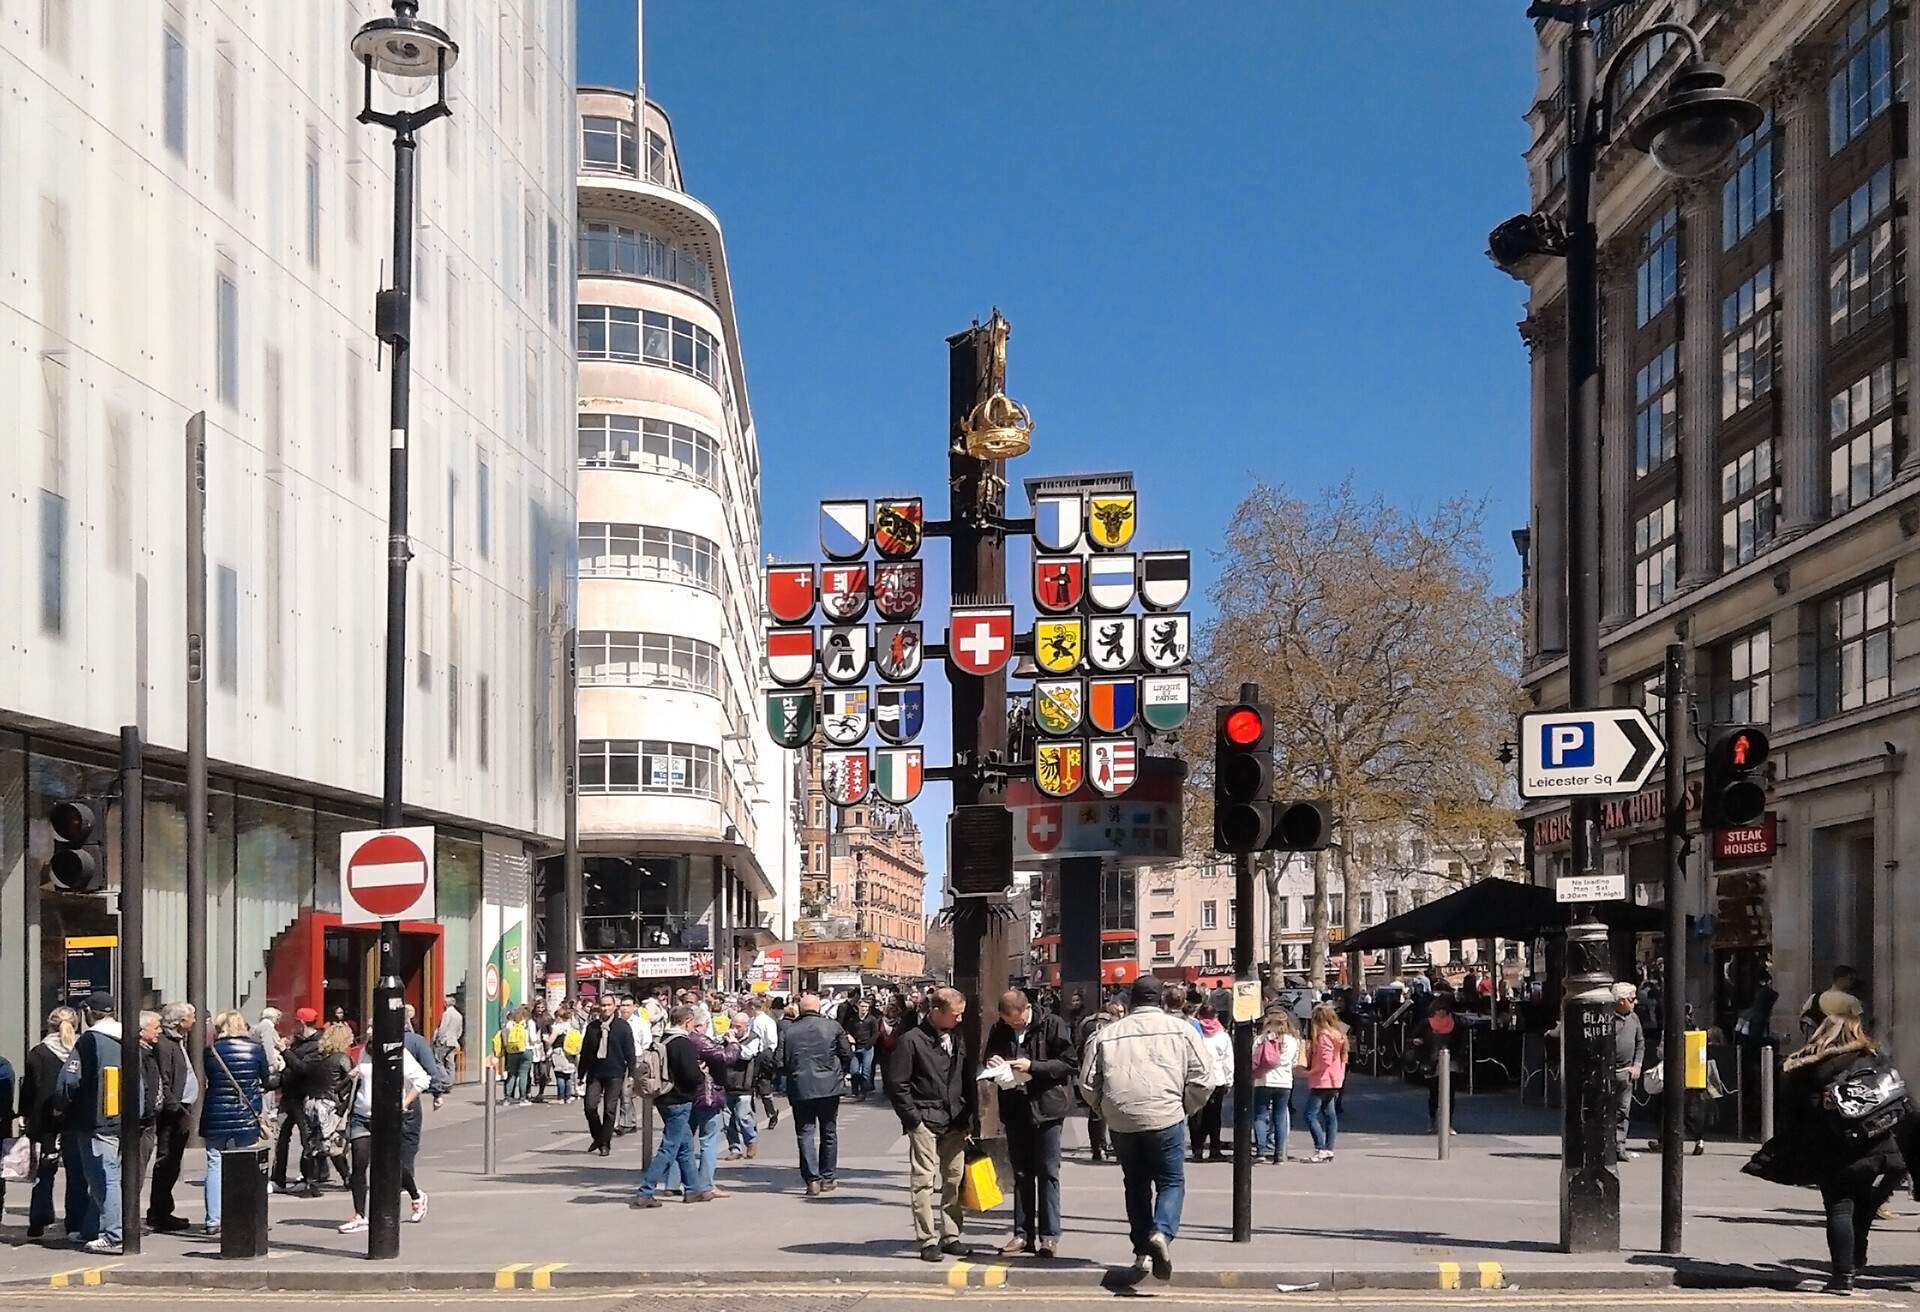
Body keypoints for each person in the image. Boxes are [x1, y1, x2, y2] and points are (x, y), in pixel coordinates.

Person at [1747, 991, 1907, 1295]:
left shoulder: (1810, 1065)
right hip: (1875, 1143)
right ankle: (1856, 1259)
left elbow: (1792, 1111)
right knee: (1862, 1204)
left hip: (1834, 1147)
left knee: (1840, 1208)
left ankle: (1843, 1275)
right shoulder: (1874, 1057)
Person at [1078, 976, 1212, 1283]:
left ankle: (1141, 1252)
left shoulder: (1107, 1034)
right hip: (1165, 1116)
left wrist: (1106, 1110)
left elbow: (1087, 1083)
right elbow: (1204, 1078)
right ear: (1161, 1001)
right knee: (1171, 1181)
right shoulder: (1182, 1030)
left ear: (1129, 1001)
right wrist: (1185, 1106)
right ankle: (1161, 1233)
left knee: (1135, 1184)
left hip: (1123, 1119)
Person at [985, 988, 1077, 1258]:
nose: (1012, 1025)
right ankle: (1022, 1234)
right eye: (1007, 1022)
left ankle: (1049, 1235)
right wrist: (993, 1063)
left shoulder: (1052, 1024)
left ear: (1026, 1010)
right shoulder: (1000, 1029)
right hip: (1015, 1107)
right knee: (1022, 1174)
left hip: (1047, 1107)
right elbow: (989, 1057)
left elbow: (1069, 1063)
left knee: (1048, 1171)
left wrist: (1033, 1066)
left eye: (1016, 1021)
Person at [886, 986, 975, 1262]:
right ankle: (927, 1239)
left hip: (955, 1119)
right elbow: (897, 1084)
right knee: (923, 1181)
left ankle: (951, 1235)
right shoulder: (911, 1040)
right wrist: (913, 1120)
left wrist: (969, 1116)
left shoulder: (958, 1038)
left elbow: (965, 1077)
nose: (959, 1019)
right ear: (936, 1012)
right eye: (955, 1014)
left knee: (953, 1179)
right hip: (925, 1118)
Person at [337, 1031, 433, 1233]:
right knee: (359, 1164)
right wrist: (356, 1073)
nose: (370, 1045)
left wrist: (404, 1102)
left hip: (386, 1116)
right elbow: (365, 1074)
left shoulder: (399, 1054)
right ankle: (360, 1215)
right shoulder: (365, 1052)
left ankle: (416, 1195)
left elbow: (423, 1080)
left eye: (374, 1041)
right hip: (362, 1116)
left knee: (392, 1163)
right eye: (369, 1040)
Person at [631, 1005, 725, 1207]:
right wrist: (701, 1073)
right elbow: (690, 1075)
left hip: (663, 1097)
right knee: (670, 1146)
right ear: (688, 1021)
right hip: (679, 1100)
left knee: (685, 1146)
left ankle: (693, 1189)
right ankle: (646, 1191)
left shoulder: (663, 1039)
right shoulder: (683, 1043)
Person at [201, 1008, 270, 1239]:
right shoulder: (255, 1049)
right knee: (248, 1164)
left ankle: (213, 1219)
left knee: (214, 1163)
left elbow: (209, 1078)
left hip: (216, 1111)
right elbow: (267, 1080)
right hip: (246, 1113)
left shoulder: (211, 1052)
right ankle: (247, 1215)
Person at [69, 992, 124, 1254]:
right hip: (125, 1118)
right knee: (107, 1174)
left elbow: (68, 1081)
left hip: (95, 1118)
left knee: (102, 1176)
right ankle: (92, 1229)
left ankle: (113, 1235)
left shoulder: (89, 1040)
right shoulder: (128, 1037)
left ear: (90, 1012)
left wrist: (62, 1105)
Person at [781, 992, 851, 1197]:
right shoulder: (832, 1026)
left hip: (800, 1086)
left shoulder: (790, 1029)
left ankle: (812, 1179)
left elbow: (780, 1059)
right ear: (819, 1008)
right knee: (829, 1131)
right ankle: (827, 1177)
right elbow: (846, 1054)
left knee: (805, 1132)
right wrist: (837, 1069)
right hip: (829, 1087)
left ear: (800, 1010)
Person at [22, 1006, 83, 1241]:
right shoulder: (80, 1050)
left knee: (45, 1171)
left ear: (49, 1024)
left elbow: (30, 1089)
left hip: (45, 1120)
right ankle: (75, 1223)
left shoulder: (38, 1052)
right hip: (74, 1118)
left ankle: (39, 1218)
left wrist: (26, 1115)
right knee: (77, 1174)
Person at [147, 1002, 198, 1231]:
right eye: (191, 1017)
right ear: (180, 1021)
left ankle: (162, 1210)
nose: (195, 1021)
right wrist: (174, 1106)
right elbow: (164, 1078)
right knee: (167, 1161)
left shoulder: (177, 1042)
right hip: (174, 1111)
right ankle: (159, 1212)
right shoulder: (165, 1045)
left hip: (181, 1108)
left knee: (173, 1162)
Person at [272, 1007, 324, 1195]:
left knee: (307, 1140)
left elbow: (302, 1069)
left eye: (297, 1022)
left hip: (304, 1097)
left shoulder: (317, 1045)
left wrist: (285, 1051)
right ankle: (278, 1178)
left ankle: (310, 1179)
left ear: (302, 1023)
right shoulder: (298, 1043)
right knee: (281, 1138)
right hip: (289, 1096)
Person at [578, 994, 637, 1157]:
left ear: (614, 1007)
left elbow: (630, 1051)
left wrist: (632, 1072)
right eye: (603, 1005)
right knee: (590, 1107)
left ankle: (605, 1143)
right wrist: (580, 1073)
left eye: (608, 1005)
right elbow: (585, 1052)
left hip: (615, 1073)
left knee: (610, 1110)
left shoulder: (622, 1027)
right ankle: (598, 1137)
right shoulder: (592, 1027)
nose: (605, 1008)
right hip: (595, 1072)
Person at [1251, 1009, 1301, 1164]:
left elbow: (1254, 1058)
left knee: (1260, 1116)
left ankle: (1260, 1150)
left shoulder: (1260, 1039)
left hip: (1263, 1081)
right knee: (1279, 1117)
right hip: (1284, 1082)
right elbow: (1293, 1062)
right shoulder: (1291, 1040)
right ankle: (1279, 1154)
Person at [310, 1023, 356, 1189]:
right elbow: (351, 1080)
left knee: (317, 1142)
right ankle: (348, 1177)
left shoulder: (319, 1057)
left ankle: (312, 1178)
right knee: (335, 1144)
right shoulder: (342, 1058)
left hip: (314, 1102)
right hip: (333, 1105)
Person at [1411, 997, 1464, 1135]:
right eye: (1439, 1010)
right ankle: (1433, 1120)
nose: (1441, 1013)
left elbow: (1460, 1041)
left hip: (1450, 1061)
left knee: (1449, 1093)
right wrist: (1418, 1041)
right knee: (1434, 1093)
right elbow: (1413, 1037)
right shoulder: (1426, 1024)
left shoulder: (1455, 1022)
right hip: (1432, 1061)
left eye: (1444, 1010)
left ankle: (1448, 1123)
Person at [1304, 1003, 1349, 1164]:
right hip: (1335, 1079)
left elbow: (1324, 1059)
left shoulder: (1323, 1036)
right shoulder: (1339, 1034)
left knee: (1309, 1114)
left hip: (1322, 1079)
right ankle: (1329, 1149)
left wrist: (1310, 1072)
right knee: (1329, 1114)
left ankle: (1321, 1148)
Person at [1078, 1001, 1123, 1162]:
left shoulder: (1087, 1023)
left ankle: (1097, 1148)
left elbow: (1079, 1044)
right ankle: (1117, 1148)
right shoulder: (1116, 1027)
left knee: (1095, 1111)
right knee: (1115, 1110)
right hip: (1112, 1071)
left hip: (1090, 1069)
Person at [1188, 1004, 1233, 1162]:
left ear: (1199, 1016)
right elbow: (1228, 1060)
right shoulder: (1222, 1036)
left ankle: (1197, 1150)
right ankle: (1214, 1148)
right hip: (1217, 1079)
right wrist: (1229, 1080)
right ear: (1215, 1017)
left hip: (1197, 1079)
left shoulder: (1193, 1033)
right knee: (1214, 1116)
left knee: (1196, 1116)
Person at [1609, 982, 1645, 1163]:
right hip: (1608, 1073)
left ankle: (1620, 1147)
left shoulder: (1634, 1018)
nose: (1635, 1002)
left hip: (1626, 1072)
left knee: (1623, 1111)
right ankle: (1606, 1147)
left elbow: (1640, 1043)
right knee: (1606, 1111)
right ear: (1621, 1001)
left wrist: (1637, 1064)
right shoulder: (1608, 1018)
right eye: (1631, 999)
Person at [722, 1011, 761, 1160]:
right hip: (727, 1082)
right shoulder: (726, 1038)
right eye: (733, 1025)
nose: (735, 1029)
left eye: (739, 1026)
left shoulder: (753, 1038)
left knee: (743, 1116)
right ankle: (735, 1148)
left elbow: (747, 1055)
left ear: (746, 1026)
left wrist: (734, 1043)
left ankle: (751, 1141)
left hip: (744, 1083)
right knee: (727, 1119)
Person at [749, 996, 782, 1127]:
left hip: (762, 1057)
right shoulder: (752, 1020)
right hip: (752, 1056)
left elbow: (772, 1042)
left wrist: (766, 1056)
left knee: (764, 1087)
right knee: (750, 1087)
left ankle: (772, 1113)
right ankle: (750, 1117)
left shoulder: (767, 1021)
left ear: (752, 1007)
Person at [1802, 966, 1863, 1035]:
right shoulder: (1852, 1000)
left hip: (1819, 1040)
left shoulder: (1814, 997)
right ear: (1842, 979)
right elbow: (1859, 1025)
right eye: (1851, 979)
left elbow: (1804, 1017)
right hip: (1841, 1041)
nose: (1852, 983)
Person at [497, 1005, 533, 1106]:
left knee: (511, 1074)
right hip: (526, 1050)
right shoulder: (528, 1023)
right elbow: (533, 1038)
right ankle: (523, 1098)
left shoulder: (509, 1024)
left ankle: (507, 1098)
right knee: (523, 1074)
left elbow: (505, 1039)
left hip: (512, 1051)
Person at [847, 995, 881, 1099]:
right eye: (862, 1006)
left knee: (866, 1071)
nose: (864, 1009)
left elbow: (876, 1034)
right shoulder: (853, 1019)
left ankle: (863, 1092)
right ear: (858, 1007)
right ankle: (855, 1088)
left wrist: (868, 1045)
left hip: (867, 1048)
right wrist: (851, 1040)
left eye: (866, 1007)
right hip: (855, 1048)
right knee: (854, 1070)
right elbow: (848, 1031)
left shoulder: (872, 1019)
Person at [548, 1005, 581, 1104]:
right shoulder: (570, 1027)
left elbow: (550, 1041)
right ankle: (568, 1096)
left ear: (559, 1017)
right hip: (570, 1052)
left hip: (559, 1052)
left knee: (560, 1076)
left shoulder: (557, 1027)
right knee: (568, 1076)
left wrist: (546, 1039)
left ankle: (561, 1097)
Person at [432, 994, 464, 1080]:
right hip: (453, 1041)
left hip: (445, 1041)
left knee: (438, 1060)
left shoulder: (447, 1014)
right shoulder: (459, 1015)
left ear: (446, 1003)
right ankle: (451, 1081)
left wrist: (438, 1039)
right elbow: (460, 1031)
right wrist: (455, 1038)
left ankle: (445, 1080)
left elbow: (443, 1028)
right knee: (450, 1062)